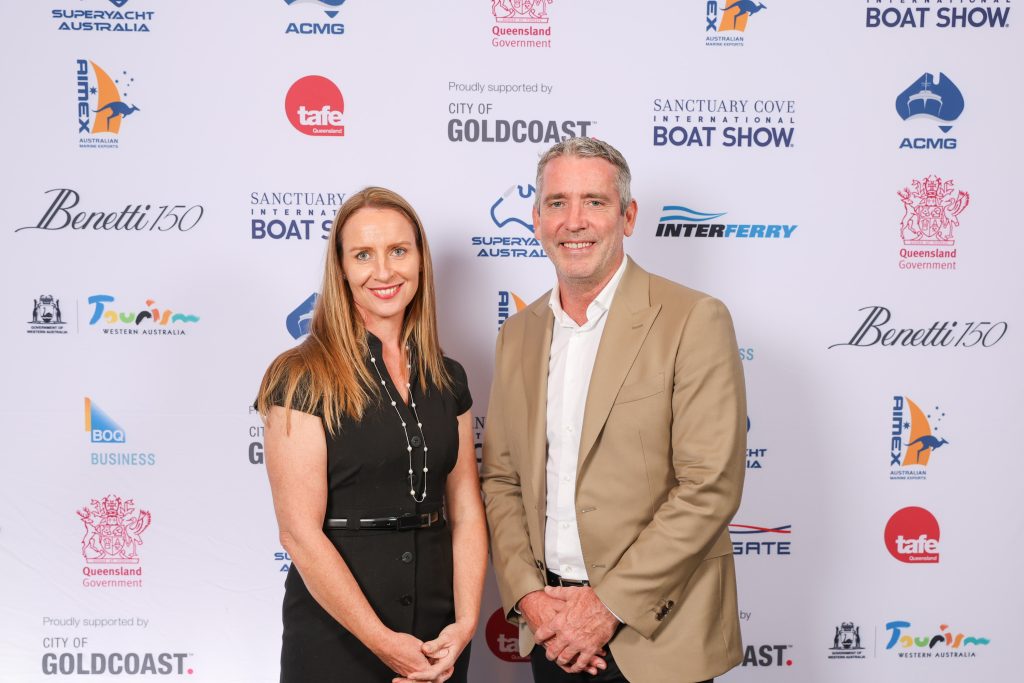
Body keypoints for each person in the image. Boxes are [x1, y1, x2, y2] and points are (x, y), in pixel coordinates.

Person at [481, 138, 747, 683]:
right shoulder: (517, 335)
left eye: (595, 202)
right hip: (552, 632)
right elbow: (502, 480)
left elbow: (709, 486)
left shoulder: (694, 319)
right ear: (536, 219)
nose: (574, 221)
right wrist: (530, 597)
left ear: (627, 216)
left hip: (659, 640)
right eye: (557, 203)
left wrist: (606, 607)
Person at [255, 187, 487, 683]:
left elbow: (467, 509)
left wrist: (465, 624)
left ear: (420, 260)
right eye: (363, 255)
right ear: (341, 269)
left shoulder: (449, 378)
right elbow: (298, 533)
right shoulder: (300, 375)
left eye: (398, 251)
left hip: (439, 633)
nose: (383, 272)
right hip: (337, 633)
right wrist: (382, 642)